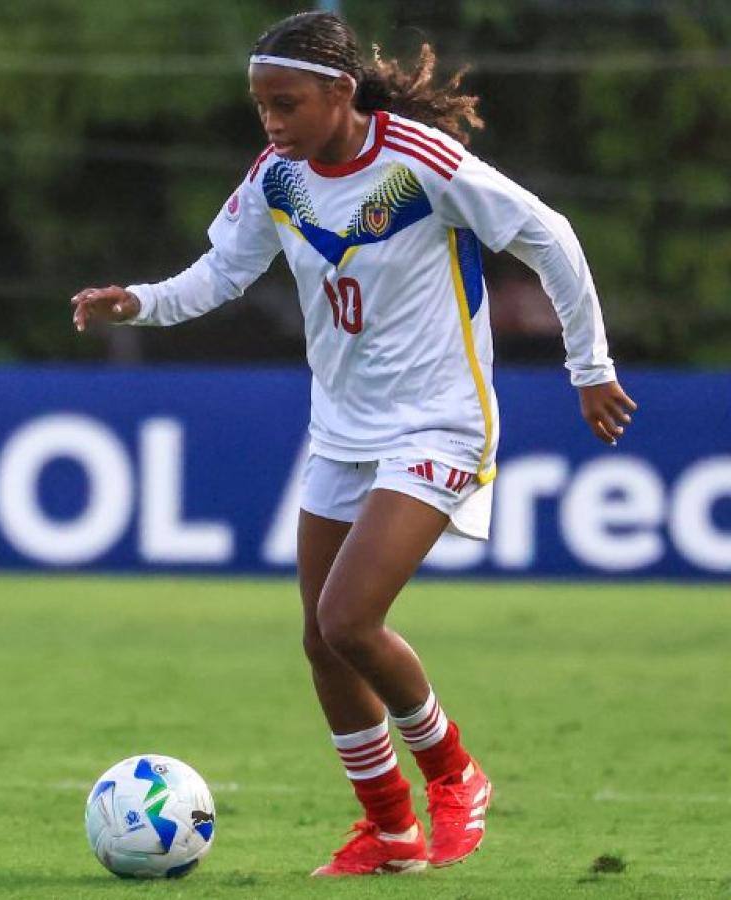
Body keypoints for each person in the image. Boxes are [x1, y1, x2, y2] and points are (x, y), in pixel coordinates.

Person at [70, 10, 637, 877]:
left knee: (349, 619)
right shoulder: (277, 177)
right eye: (261, 105)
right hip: (340, 428)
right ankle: (390, 830)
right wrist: (137, 302)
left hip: (440, 419)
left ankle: (455, 775)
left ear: (341, 92)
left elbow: (547, 235)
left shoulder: (421, 163)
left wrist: (588, 366)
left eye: (286, 103)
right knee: (318, 637)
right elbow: (220, 272)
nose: (271, 121)